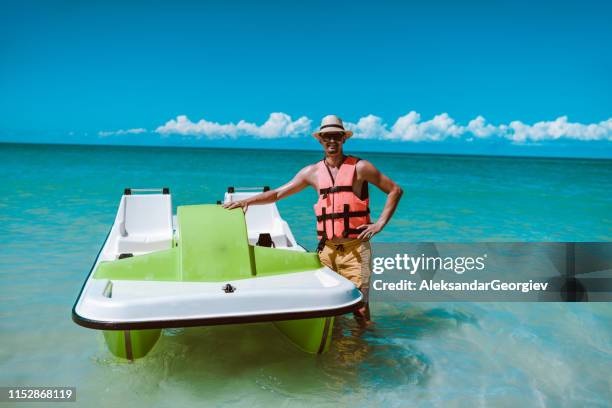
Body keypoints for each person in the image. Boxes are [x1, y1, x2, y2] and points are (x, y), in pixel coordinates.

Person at [223, 115, 403, 324]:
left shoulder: (360, 168)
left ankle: (363, 351)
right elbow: (278, 194)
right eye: (327, 137)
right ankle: (334, 348)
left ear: (344, 139)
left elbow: (395, 190)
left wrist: (380, 223)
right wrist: (247, 202)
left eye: (336, 136)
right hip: (326, 251)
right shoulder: (312, 172)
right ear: (320, 140)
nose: (332, 141)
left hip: (356, 251)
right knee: (326, 308)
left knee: (360, 310)